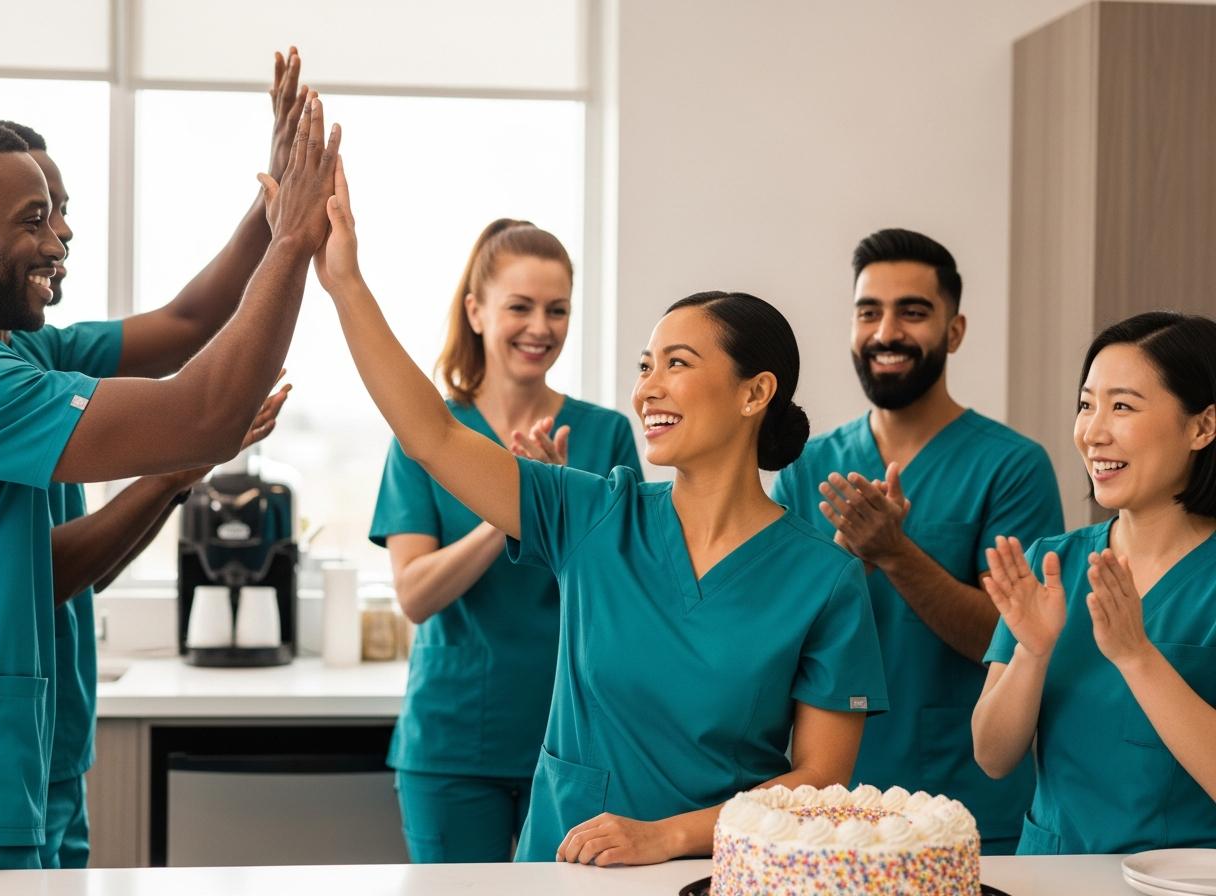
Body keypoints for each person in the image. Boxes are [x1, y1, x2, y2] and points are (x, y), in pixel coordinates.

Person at [313, 161, 888, 865]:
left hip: (710, 873)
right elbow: (431, 435)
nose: (648, 387)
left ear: (753, 392)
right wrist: (344, 283)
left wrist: (668, 835)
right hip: (565, 870)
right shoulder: (590, 511)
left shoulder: (824, 580)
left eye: (676, 363)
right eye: (645, 365)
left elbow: (821, 781)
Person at [0, 101, 336, 870]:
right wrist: (291, 242)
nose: (60, 240)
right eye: (34, 218)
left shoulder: (18, 355)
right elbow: (204, 410)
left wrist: (272, 202)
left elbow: (189, 325)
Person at [770, 228, 1063, 854]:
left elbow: (1010, 638)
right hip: (825, 803)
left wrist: (896, 553)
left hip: (964, 802)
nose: (886, 332)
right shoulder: (805, 466)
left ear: (954, 331)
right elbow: (764, 631)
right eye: (868, 312)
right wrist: (847, 563)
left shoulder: (1012, 467)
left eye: (914, 311)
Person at [371, 219, 641, 862]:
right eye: (520, 306)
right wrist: (517, 505)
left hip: (579, 740)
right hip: (454, 740)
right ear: (476, 310)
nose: (540, 328)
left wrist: (561, 501)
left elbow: (625, 594)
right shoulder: (426, 435)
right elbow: (414, 595)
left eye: (557, 310)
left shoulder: (606, 437)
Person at [973, 311, 1216, 854]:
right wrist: (1032, 654)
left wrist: (1138, 656)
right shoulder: (1050, 563)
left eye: (1122, 406)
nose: (1092, 432)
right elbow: (991, 756)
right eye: (1087, 404)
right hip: (1051, 875)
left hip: (1181, 885)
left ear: (1201, 427)